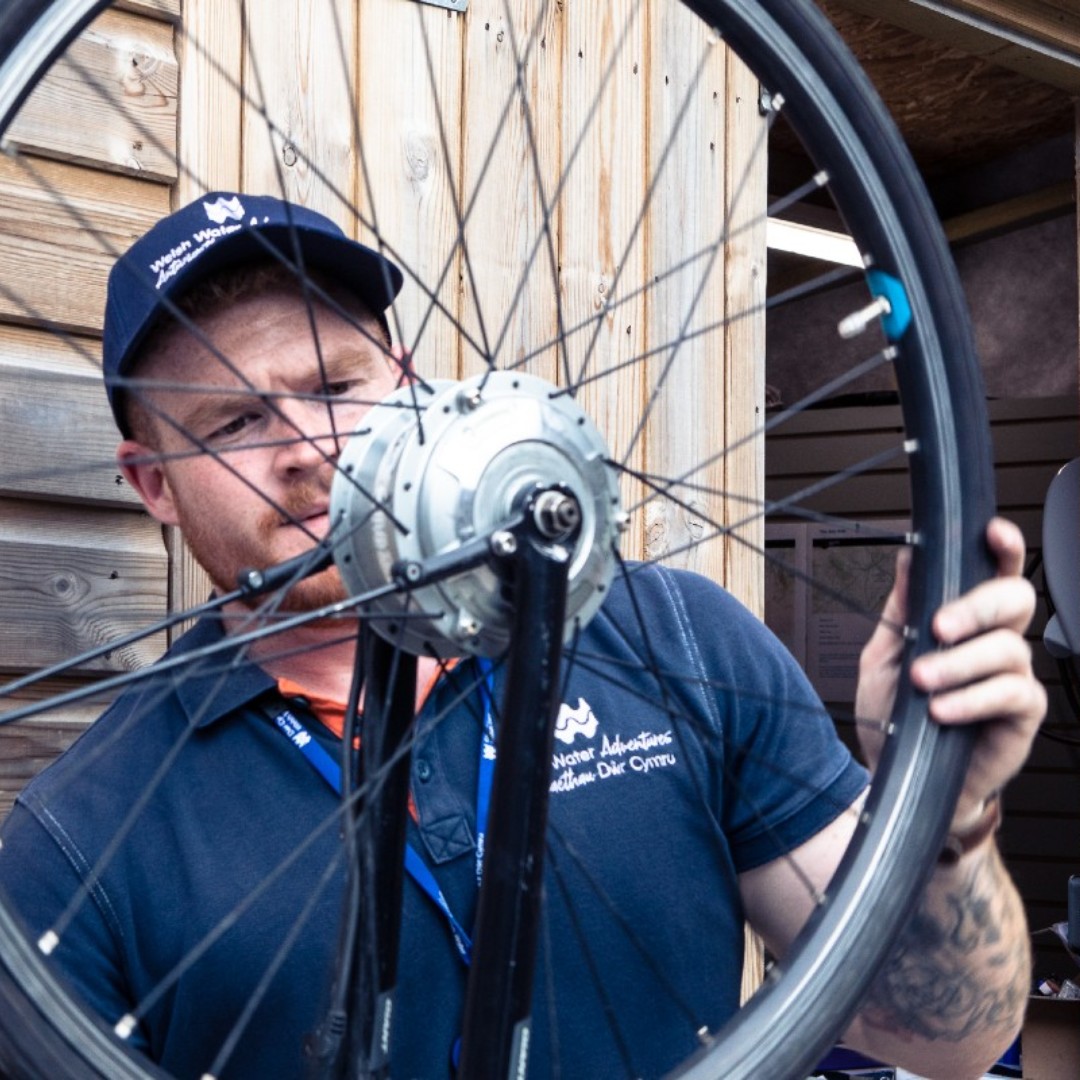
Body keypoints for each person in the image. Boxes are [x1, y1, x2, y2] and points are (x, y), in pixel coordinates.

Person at [0, 192, 1046, 1080]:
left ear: (406, 381)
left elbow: (940, 1036)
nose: (310, 453)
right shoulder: (74, 847)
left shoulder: (677, 639)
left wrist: (944, 812)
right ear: (153, 487)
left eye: (336, 388)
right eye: (234, 423)